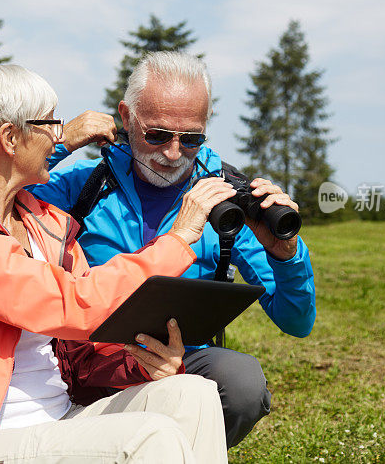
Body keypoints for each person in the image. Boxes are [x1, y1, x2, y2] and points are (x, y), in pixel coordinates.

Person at [0, 63, 234, 463]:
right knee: (151, 436)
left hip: (62, 418)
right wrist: (177, 241)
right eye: (49, 125)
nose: (60, 137)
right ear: (10, 137)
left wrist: (142, 365)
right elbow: (69, 302)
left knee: (193, 394)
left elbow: (84, 350)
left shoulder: (49, 225)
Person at [30, 51, 317, 448]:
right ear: (126, 117)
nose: (172, 154)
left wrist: (285, 253)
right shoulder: (81, 186)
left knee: (242, 385)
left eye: (192, 139)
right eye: (157, 134)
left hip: (183, 361)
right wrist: (58, 142)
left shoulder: (225, 204)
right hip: (92, 360)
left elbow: (296, 322)